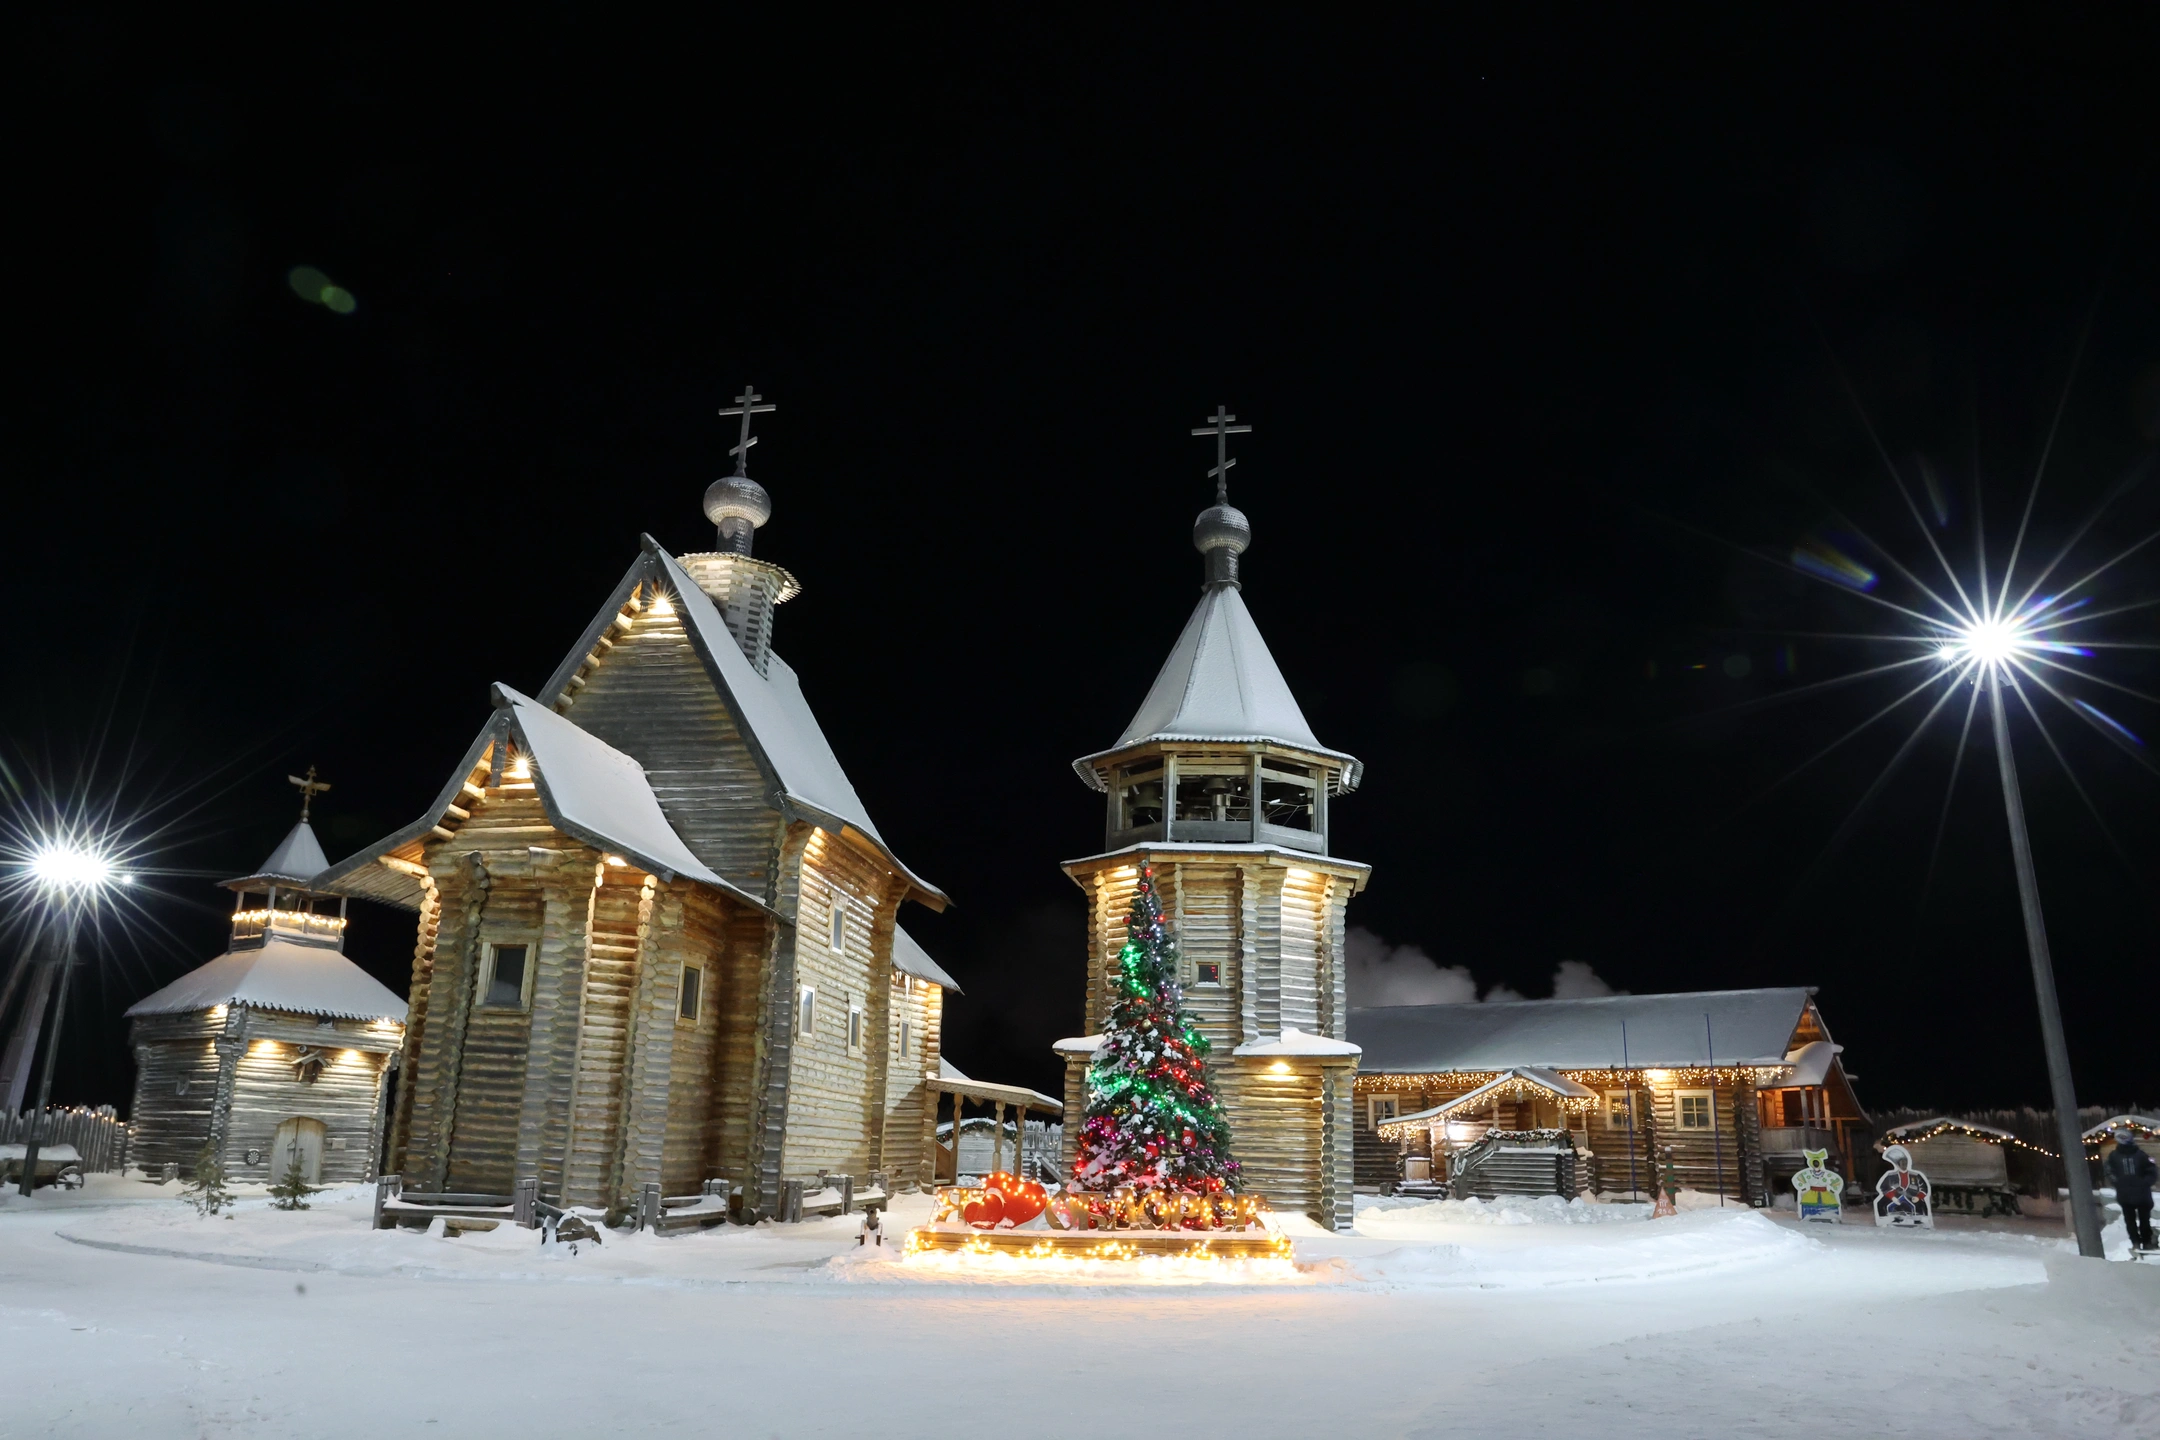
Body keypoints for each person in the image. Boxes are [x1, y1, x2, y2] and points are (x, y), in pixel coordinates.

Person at [2105, 1127, 2157, 1253]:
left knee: (2144, 1220)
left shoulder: (2140, 1155)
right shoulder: (2114, 1156)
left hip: (2141, 1194)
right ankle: (2136, 1242)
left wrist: (2144, 1183)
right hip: (2126, 1195)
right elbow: (2108, 1171)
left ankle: (2146, 1241)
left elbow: (2152, 1170)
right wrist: (2118, 1182)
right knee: (2130, 1221)